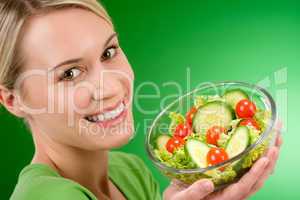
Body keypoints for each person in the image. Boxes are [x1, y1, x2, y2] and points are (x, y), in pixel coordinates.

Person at [0, 0, 282, 199]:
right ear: (13, 99)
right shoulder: (46, 196)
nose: (111, 87)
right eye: (70, 73)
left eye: (108, 52)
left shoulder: (129, 171)